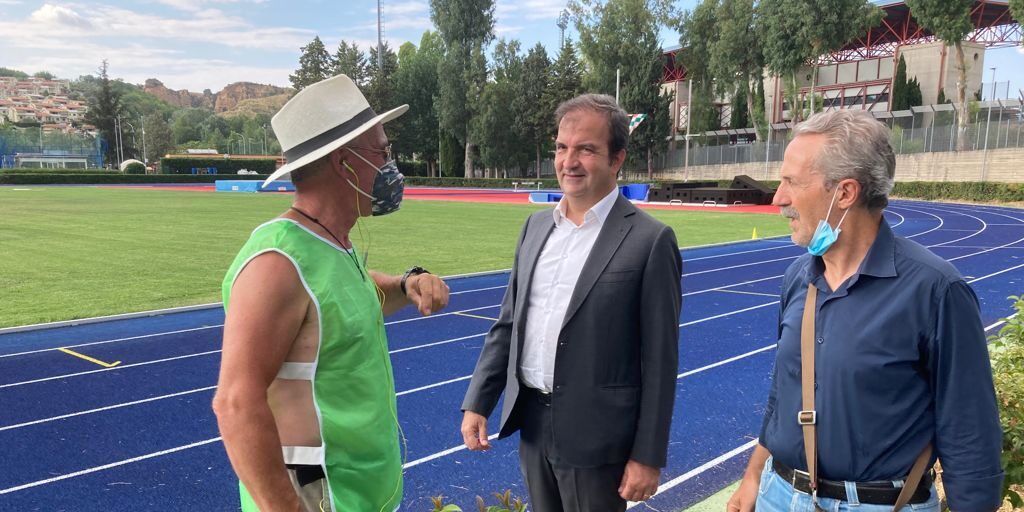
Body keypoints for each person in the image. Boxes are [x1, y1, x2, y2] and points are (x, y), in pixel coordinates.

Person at [727, 109, 1003, 512]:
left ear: (845, 193)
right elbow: (784, 392)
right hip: (779, 494)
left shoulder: (935, 290)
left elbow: (969, 429)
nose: (778, 198)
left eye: (791, 182)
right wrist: (754, 474)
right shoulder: (798, 278)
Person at [213, 74, 450, 512]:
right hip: (321, 497)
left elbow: (346, 300)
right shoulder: (277, 263)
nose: (390, 167)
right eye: (383, 153)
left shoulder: (332, 243)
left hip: (363, 492)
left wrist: (406, 283)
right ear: (345, 163)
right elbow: (235, 403)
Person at [460, 93, 683, 512]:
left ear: (617, 159)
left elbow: (660, 360)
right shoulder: (534, 227)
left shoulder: (650, 240)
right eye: (562, 148)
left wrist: (648, 455)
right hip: (532, 425)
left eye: (586, 149)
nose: (569, 161)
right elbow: (509, 323)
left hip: (600, 439)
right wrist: (478, 400)